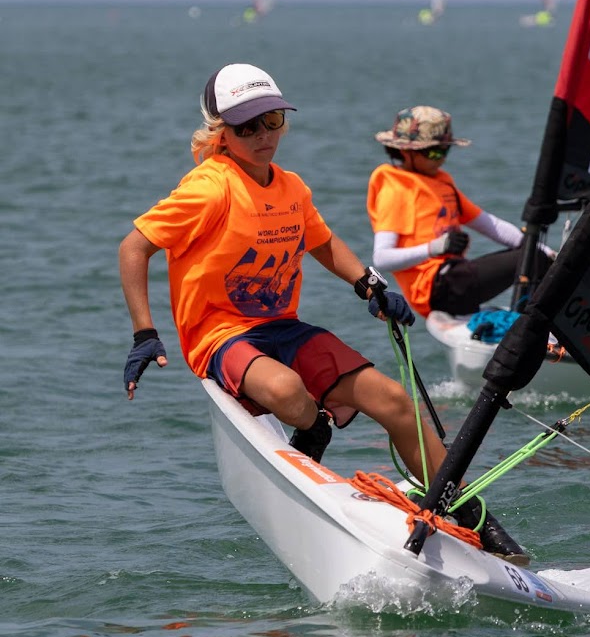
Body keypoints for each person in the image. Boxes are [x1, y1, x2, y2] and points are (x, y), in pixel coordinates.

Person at [118, 64, 527, 565]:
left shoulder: (291, 187)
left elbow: (322, 241)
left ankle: (473, 516)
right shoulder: (209, 188)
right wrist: (145, 333)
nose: (263, 135)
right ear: (221, 133)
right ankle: (314, 426)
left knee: (395, 401)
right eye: (247, 127)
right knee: (286, 391)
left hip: (282, 329)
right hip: (221, 335)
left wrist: (367, 283)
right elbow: (134, 248)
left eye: (272, 121)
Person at [365, 106, 553, 321]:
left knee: (536, 257)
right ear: (406, 152)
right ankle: (534, 322)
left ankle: (540, 318)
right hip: (436, 289)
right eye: (433, 152)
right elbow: (382, 258)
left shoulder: (442, 183)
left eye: (444, 151)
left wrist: (546, 251)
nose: (440, 159)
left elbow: (491, 225)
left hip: (457, 275)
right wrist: (435, 248)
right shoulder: (394, 190)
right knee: (534, 259)